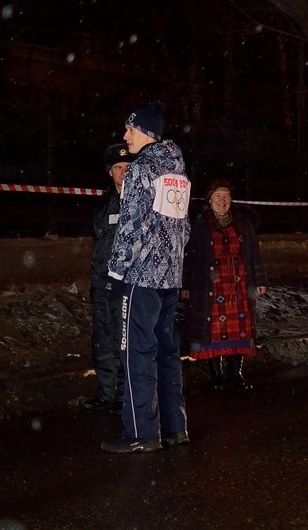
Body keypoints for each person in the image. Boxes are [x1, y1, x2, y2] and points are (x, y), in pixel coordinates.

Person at [101, 101, 192, 454]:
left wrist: (117, 270)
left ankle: (141, 433)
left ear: (148, 134)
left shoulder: (140, 171)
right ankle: (175, 428)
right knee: (167, 352)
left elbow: (132, 227)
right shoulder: (178, 174)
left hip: (141, 278)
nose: (125, 137)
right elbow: (182, 229)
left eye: (130, 129)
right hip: (170, 278)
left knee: (137, 353)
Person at [180, 179, 268, 392]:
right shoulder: (200, 223)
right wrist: (185, 284)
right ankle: (216, 375)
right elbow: (190, 257)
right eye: (218, 196)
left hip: (238, 283)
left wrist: (259, 280)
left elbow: (253, 253)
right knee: (213, 328)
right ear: (210, 199)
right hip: (209, 284)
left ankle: (235, 374)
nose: (222, 200)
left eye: (226, 196)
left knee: (239, 328)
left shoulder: (242, 222)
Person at [83, 143, 135, 413]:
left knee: (125, 342)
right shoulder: (103, 204)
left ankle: (126, 398)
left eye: (128, 167)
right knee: (102, 340)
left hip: (128, 286)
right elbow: (97, 247)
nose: (123, 173)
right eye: (118, 167)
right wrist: (95, 282)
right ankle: (107, 394)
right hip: (102, 285)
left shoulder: (140, 203)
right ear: (110, 172)